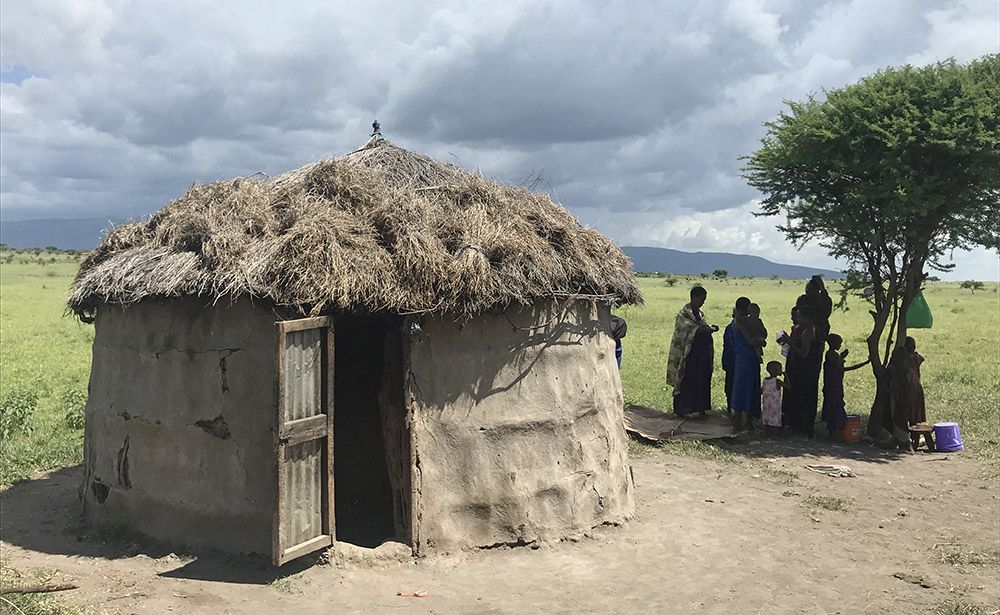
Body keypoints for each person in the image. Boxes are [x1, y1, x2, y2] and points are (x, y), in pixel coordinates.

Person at [666, 286, 718, 417]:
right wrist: (704, 330)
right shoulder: (683, 315)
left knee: (702, 379)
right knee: (687, 380)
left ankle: (700, 408)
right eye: (701, 299)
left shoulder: (700, 314)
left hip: (701, 354)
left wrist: (708, 328)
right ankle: (682, 410)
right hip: (688, 355)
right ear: (694, 297)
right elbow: (685, 331)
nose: (703, 302)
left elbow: (700, 326)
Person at [778, 305, 819, 437]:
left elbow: (804, 353)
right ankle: (793, 423)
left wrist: (790, 342)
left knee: (803, 397)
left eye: (799, 315)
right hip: (795, 368)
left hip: (804, 371)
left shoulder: (808, 332)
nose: (797, 317)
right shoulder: (799, 329)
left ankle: (803, 427)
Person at [821, 334, 870, 437]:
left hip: (831, 386)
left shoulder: (831, 354)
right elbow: (840, 368)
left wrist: (841, 357)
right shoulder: (832, 355)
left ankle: (833, 431)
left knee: (833, 407)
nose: (840, 345)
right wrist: (864, 363)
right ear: (833, 343)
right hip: (833, 386)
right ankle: (835, 431)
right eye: (839, 343)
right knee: (836, 408)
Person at [887, 336, 926, 449]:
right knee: (910, 415)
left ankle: (904, 440)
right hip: (913, 390)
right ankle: (905, 439)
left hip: (905, 391)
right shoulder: (914, 358)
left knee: (901, 415)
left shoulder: (903, 358)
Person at [728, 306, 763, 431]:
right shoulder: (740, 324)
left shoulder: (736, 324)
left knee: (742, 389)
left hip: (742, 360)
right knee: (748, 389)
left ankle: (739, 420)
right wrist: (761, 342)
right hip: (748, 359)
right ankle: (746, 421)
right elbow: (751, 341)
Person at [722, 297, 751, 411]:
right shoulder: (741, 325)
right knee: (737, 386)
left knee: (730, 385)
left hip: (729, 359)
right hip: (738, 360)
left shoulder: (730, 326)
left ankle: (731, 408)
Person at [761, 360, 785, 438]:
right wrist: (786, 376)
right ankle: (774, 435)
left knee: (767, 419)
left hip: (766, 404)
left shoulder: (765, 380)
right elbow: (788, 387)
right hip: (775, 405)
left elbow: (762, 390)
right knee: (774, 419)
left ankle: (766, 434)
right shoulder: (777, 381)